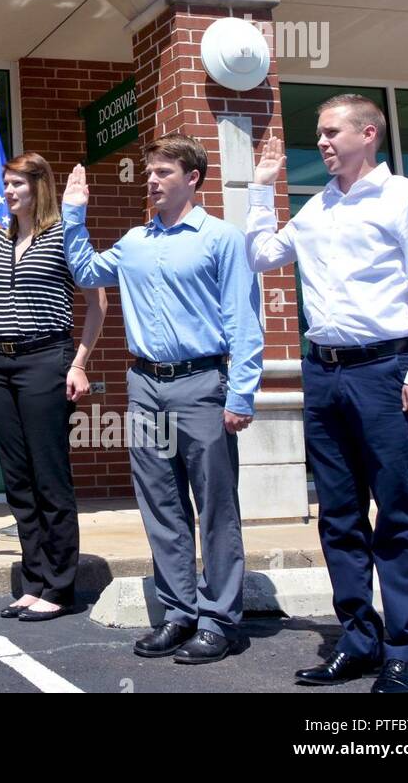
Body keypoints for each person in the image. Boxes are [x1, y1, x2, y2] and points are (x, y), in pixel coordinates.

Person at [246, 94, 408, 693]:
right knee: (338, 516)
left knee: (395, 514)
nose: (321, 141)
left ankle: (407, 653)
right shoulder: (316, 208)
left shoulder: (407, 199)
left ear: (369, 133)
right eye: (318, 133)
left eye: (331, 131)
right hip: (325, 375)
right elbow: (260, 255)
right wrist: (261, 190)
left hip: (384, 372)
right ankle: (359, 641)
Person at [62, 133, 263, 665]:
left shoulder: (223, 238)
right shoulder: (134, 242)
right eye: (149, 173)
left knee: (216, 507)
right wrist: (73, 217)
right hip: (144, 384)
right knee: (161, 504)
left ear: (192, 179)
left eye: (163, 173)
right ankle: (178, 613)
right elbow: (84, 272)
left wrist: (241, 393)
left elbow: (244, 323)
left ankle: (219, 620)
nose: (151, 181)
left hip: (202, 384)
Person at [0, 153, 107, 621]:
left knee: (49, 477)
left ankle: (59, 587)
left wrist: (79, 363)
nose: (9, 192)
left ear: (40, 186)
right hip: (1, 365)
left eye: (17, 183)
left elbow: (97, 305)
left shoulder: (62, 236)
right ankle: (33, 581)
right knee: (18, 481)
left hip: (47, 360)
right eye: (6, 184)